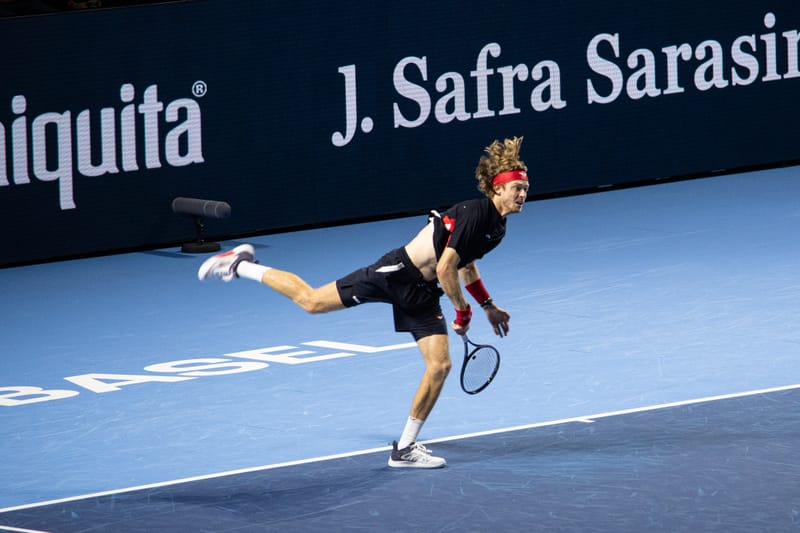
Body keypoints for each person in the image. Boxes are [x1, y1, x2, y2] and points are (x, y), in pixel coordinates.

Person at [198, 136, 530, 468]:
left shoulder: (497, 228)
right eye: (516, 187)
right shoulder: (475, 212)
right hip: (396, 274)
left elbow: (465, 265)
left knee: (440, 366)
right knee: (311, 302)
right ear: (497, 189)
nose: (522, 193)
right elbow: (446, 267)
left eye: (525, 188)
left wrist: (487, 304)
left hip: (423, 294)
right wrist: (462, 309)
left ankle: (404, 448)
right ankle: (241, 264)